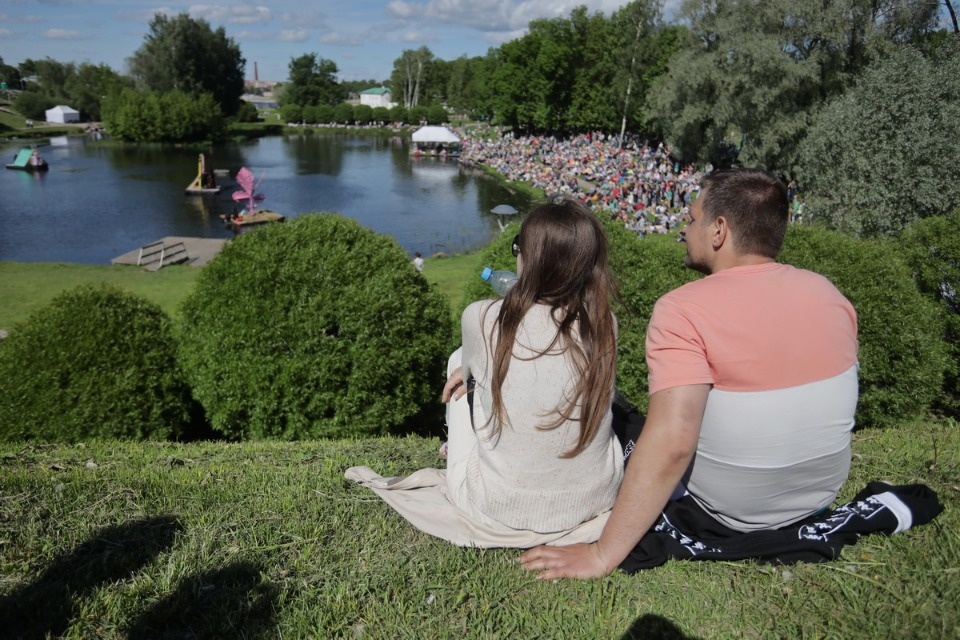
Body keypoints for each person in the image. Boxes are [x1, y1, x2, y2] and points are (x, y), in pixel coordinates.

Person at [519, 168, 859, 578]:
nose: (684, 228)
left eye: (692, 218)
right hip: (817, 499)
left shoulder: (683, 308)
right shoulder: (829, 293)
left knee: (626, 419)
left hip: (733, 512)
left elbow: (673, 442)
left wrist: (602, 554)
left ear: (719, 230)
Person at [346, 199, 624, 547]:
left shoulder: (482, 317)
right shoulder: (604, 324)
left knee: (458, 361)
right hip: (595, 502)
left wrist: (470, 371)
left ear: (528, 258)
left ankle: (459, 448)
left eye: (517, 248)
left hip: (497, 510)